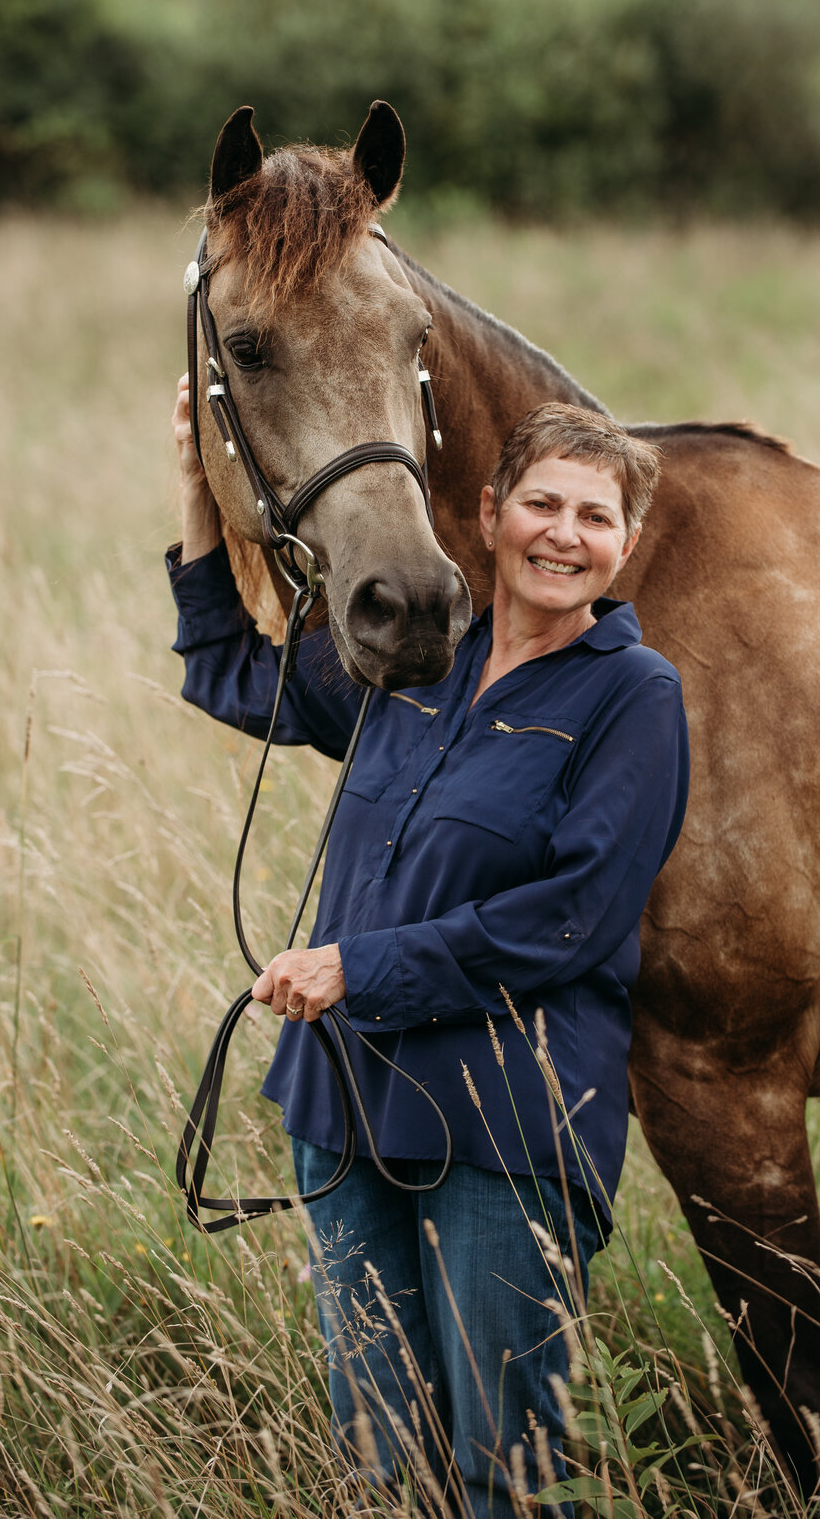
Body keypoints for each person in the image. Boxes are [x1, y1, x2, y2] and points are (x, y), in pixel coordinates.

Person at [167, 389, 689, 1518]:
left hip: (503, 1122)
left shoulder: (631, 695)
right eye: (542, 503)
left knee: (509, 1465)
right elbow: (227, 675)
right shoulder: (414, 656)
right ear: (491, 513)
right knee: (381, 1456)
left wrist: (361, 966)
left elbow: (575, 916)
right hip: (343, 1102)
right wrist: (199, 498)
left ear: (625, 545)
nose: (563, 534)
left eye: (595, 518)